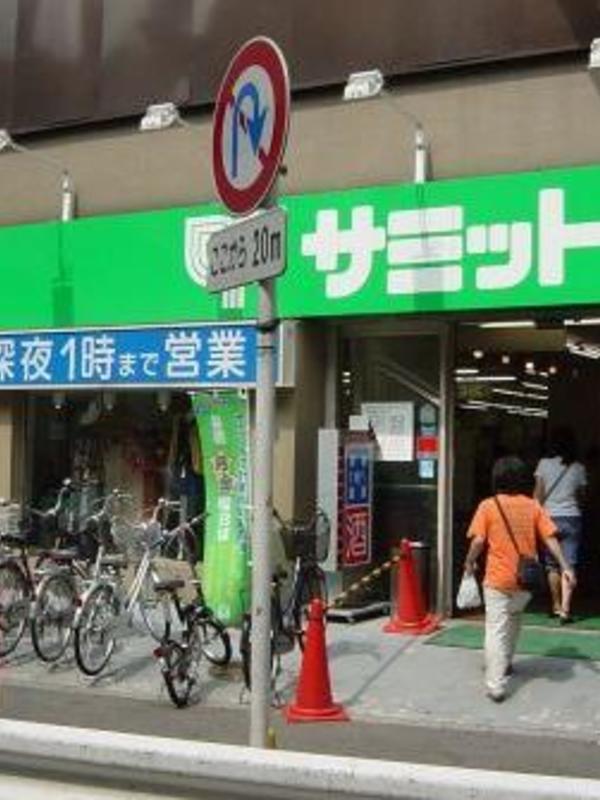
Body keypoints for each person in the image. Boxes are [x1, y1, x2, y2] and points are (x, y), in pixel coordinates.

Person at [463, 456, 575, 703]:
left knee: (496, 630)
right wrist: (565, 566)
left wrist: (470, 561)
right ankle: (506, 663)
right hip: (526, 581)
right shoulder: (533, 506)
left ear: (497, 478)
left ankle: (496, 685)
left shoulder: (488, 506)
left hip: (498, 580)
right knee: (513, 623)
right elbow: (550, 538)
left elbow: (478, 541)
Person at [534, 427, 587, 623]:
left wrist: (535, 516)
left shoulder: (543, 464)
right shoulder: (579, 468)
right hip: (572, 518)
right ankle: (566, 609)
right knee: (569, 563)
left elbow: (538, 495)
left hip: (548, 518)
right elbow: (582, 497)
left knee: (552, 565)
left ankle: (555, 605)